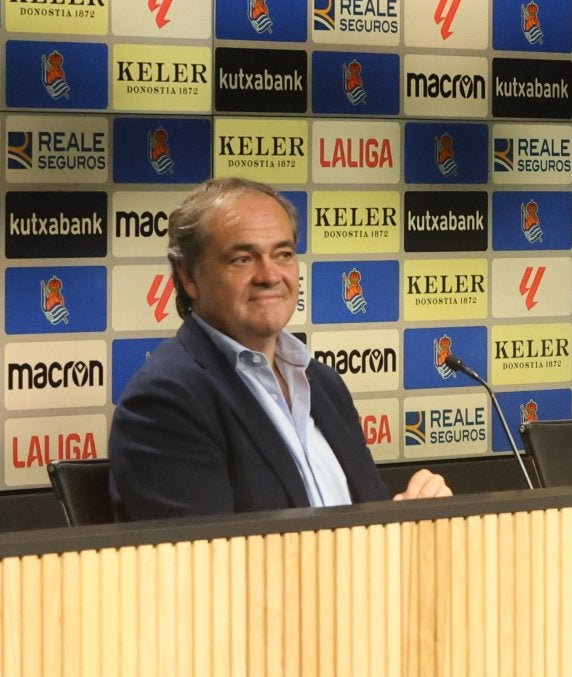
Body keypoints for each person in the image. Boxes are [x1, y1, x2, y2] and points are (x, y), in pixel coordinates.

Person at [109, 177, 450, 520]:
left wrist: (408, 521)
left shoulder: (324, 384)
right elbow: (204, 562)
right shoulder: (166, 400)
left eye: (283, 254)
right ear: (189, 278)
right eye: (243, 259)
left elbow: (361, 526)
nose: (269, 275)